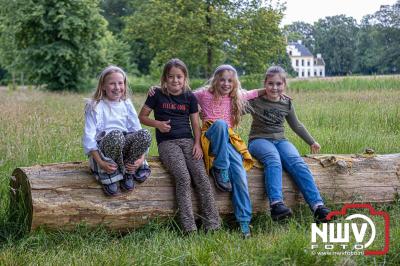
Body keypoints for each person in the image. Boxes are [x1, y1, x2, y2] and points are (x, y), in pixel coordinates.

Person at [139, 58, 220, 234]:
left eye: (179, 77)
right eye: (171, 77)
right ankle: (188, 228)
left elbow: (196, 124)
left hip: (188, 141)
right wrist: (158, 124)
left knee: (201, 177)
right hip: (167, 144)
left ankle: (212, 224)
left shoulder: (189, 97)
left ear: (185, 78)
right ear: (165, 78)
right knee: (183, 177)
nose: (175, 80)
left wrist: (197, 144)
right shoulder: (156, 95)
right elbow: (142, 117)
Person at [248, 65, 331, 223]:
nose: (274, 87)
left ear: (284, 85)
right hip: (258, 141)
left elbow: (296, 125)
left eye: (279, 84)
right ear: (264, 84)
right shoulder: (255, 101)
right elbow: (235, 107)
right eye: (270, 83)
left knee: (297, 162)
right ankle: (276, 205)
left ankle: (318, 207)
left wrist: (312, 141)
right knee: (273, 158)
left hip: (280, 140)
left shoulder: (286, 103)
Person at [193, 64, 265, 238]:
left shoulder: (236, 97)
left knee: (240, 176)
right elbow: (181, 92)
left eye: (230, 81)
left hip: (228, 141)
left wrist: (276, 91)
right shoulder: (203, 94)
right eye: (222, 80)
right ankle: (221, 167)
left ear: (235, 83)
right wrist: (158, 88)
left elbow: (256, 92)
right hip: (210, 137)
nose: (226, 84)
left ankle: (244, 223)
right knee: (220, 124)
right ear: (215, 80)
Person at [83, 65, 152, 196]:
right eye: (112, 84)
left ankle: (128, 171)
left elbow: (137, 130)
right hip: (105, 150)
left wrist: (140, 159)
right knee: (116, 135)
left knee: (145, 134)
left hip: (124, 148)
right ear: (103, 86)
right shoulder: (95, 105)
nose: (117, 87)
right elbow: (89, 139)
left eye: (120, 83)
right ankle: (111, 174)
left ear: (124, 85)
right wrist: (101, 163)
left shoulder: (126, 103)